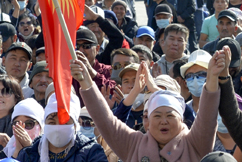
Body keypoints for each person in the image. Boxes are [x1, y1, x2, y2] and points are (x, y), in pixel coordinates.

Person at [72, 49, 218, 161]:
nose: (163, 121)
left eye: (170, 115)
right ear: (147, 120)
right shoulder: (134, 144)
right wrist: (86, 83)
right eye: (157, 115)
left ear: (181, 119)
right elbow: (105, 121)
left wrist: (212, 79)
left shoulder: (194, 144)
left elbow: (207, 118)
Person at [14, 93, 106, 162]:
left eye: (64, 122)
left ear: (75, 125)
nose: (57, 127)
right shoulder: (29, 153)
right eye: (51, 122)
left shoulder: (91, 151)